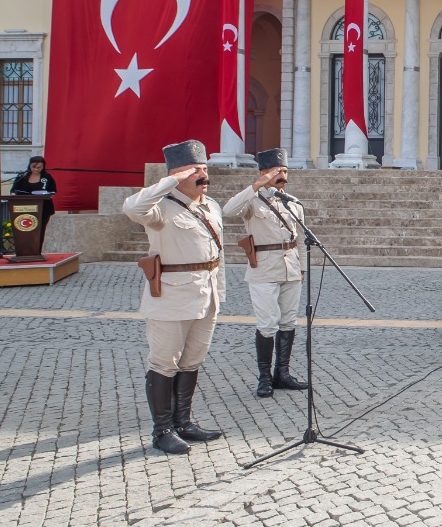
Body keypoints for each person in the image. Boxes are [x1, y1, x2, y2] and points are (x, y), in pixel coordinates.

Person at [121, 140, 225, 457]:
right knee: (164, 363)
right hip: (170, 298)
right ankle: (162, 430)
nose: (202, 175)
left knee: (192, 361)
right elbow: (130, 208)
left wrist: (219, 293)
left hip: (205, 298)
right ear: (177, 175)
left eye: (204, 168)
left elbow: (218, 257)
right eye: (195, 170)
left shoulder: (212, 206)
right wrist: (169, 181)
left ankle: (184, 422)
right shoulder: (160, 208)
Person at [222, 148, 308, 398]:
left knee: (288, 321)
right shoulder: (251, 201)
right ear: (263, 173)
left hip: (290, 267)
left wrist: (302, 267)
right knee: (267, 323)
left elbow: (300, 240)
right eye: (277, 171)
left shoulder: (292, 203)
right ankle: (264, 377)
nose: (282, 175)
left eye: (285, 171)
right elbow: (228, 210)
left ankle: (282, 373)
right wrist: (255, 186)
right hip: (264, 268)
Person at [8, 155, 58, 243]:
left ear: (43, 167)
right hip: (24, 208)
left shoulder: (47, 177)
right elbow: (13, 190)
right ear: (29, 166)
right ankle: (24, 252)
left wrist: (49, 194)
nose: (36, 169)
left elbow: (53, 191)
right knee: (24, 231)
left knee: (39, 232)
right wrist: (13, 194)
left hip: (43, 208)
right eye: (33, 167)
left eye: (39, 167)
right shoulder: (22, 176)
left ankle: (37, 252)